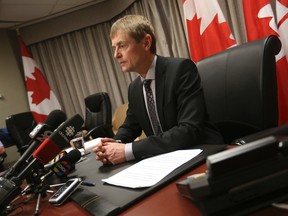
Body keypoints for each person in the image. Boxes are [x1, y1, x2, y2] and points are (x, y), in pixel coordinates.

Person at [93, 15, 223, 165]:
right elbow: (129, 127)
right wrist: (110, 146)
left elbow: (189, 130)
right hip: (166, 159)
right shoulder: (134, 88)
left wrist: (128, 151)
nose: (116, 54)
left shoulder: (181, 70)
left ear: (146, 43)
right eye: (114, 48)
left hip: (202, 154)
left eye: (122, 46)